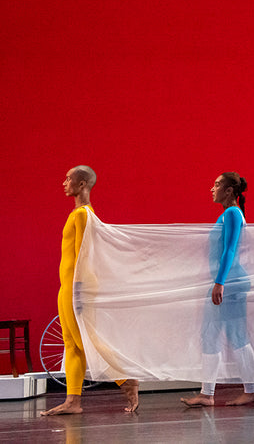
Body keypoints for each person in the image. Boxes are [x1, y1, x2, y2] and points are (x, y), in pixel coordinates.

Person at [41, 166, 139, 416]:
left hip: (79, 287)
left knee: (85, 341)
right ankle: (73, 401)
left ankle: (126, 381)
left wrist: (79, 290)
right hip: (69, 287)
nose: (64, 183)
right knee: (71, 344)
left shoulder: (84, 214)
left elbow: (87, 256)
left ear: (82, 184)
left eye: (68, 179)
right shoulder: (76, 213)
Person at [181, 173, 254, 406]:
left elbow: (229, 250)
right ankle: (210, 393)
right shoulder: (228, 215)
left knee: (233, 335)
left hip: (230, 283)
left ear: (228, 191)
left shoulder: (233, 214)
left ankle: (236, 391)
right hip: (227, 282)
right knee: (214, 335)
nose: (211, 188)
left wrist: (220, 282)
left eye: (216, 185)